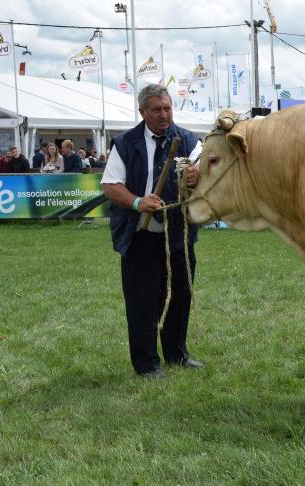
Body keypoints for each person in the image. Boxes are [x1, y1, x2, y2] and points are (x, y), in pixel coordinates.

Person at [101, 83, 203, 379]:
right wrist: (137, 201)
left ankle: (177, 354)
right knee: (142, 299)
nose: (164, 114)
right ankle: (146, 364)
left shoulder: (187, 140)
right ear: (142, 111)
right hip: (140, 234)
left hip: (178, 233)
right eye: (157, 109)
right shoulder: (126, 143)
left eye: (168, 108)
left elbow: (206, 171)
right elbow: (110, 186)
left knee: (180, 294)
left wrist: (198, 174)